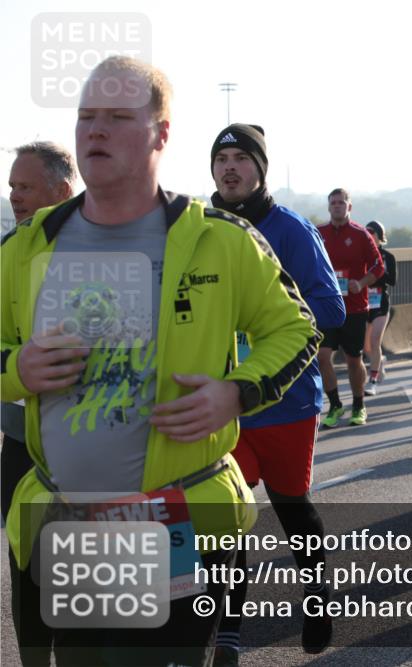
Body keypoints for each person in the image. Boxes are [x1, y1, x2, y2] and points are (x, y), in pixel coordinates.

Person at [2, 55, 320, 667]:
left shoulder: (222, 240)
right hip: (71, 522)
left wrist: (238, 391)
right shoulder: (28, 244)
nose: (95, 130)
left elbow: (296, 329)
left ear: (162, 133)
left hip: (176, 522)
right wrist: (18, 369)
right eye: (86, 116)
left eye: (118, 117)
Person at [208, 123, 345, 664]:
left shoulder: (289, 229)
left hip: (285, 402)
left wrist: (267, 323)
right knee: (225, 518)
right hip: (223, 405)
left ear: (260, 169)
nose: (230, 167)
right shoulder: (202, 228)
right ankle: (229, 632)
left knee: (292, 510)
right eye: (221, 159)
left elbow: (331, 309)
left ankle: (316, 598)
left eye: (242, 157)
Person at [2, 140, 76, 667]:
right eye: (11, 187)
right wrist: (17, 369)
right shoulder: (8, 254)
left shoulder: (111, 250)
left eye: (24, 187)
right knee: (26, 569)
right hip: (20, 442)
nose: (14, 197)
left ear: (61, 190)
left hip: (96, 441)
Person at [316, 188, 385, 426]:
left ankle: (359, 405)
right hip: (326, 306)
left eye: (341, 202)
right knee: (322, 356)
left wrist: (361, 282)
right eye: (333, 202)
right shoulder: (318, 233)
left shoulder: (361, 234)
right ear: (328, 207)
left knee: (353, 359)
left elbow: (378, 266)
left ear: (349, 207)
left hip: (354, 307)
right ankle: (335, 405)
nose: (337, 206)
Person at [364, 220, 396, 395]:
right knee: (367, 348)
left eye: (372, 232)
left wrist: (378, 271)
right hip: (363, 303)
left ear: (379, 236)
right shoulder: (360, 256)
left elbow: (393, 281)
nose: (369, 235)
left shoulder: (388, 257)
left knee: (375, 340)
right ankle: (380, 360)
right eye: (366, 232)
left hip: (380, 303)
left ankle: (373, 380)